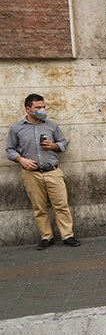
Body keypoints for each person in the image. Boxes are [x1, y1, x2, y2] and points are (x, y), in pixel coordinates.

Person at [6, 93, 81, 249]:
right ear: (28, 109)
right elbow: (10, 150)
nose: (42, 110)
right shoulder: (16, 128)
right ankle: (47, 237)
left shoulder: (51, 125)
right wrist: (22, 160)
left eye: (43, 107)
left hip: (52, 171)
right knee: (39, 208)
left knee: (61, 205)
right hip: (31, 174)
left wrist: (54, 146)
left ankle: (67, 236)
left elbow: (63, 142)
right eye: (38, 107)